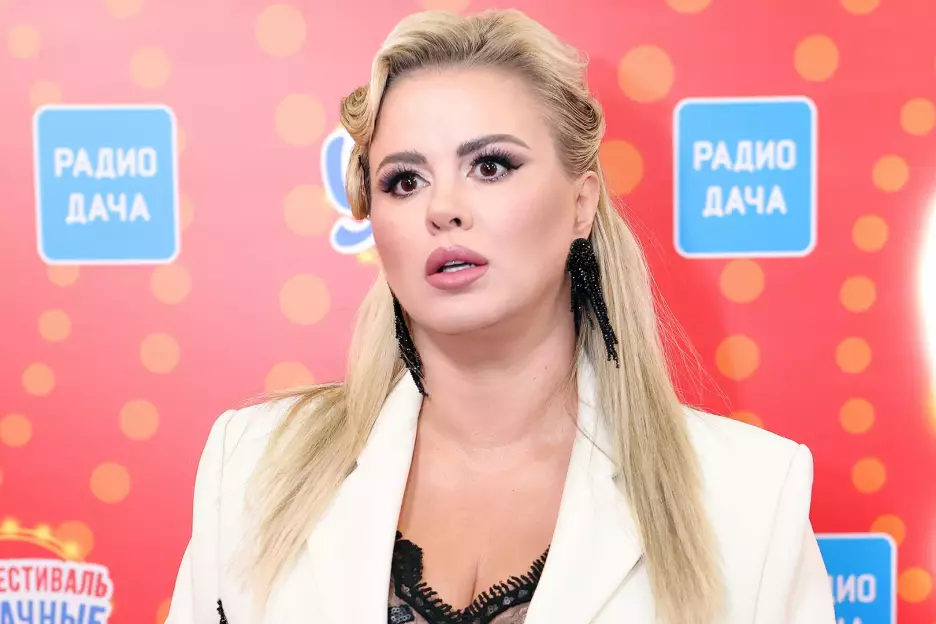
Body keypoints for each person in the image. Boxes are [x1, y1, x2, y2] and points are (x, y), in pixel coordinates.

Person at [166, 8, 835, 624]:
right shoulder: (251, 464)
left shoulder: (749, 496)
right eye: (405, 180)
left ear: (581, 204)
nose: (442, 209)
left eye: (490, 166)